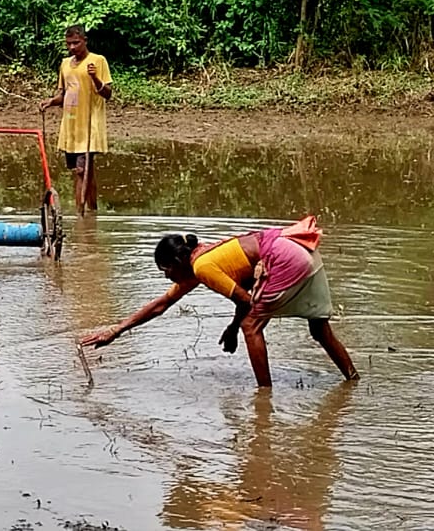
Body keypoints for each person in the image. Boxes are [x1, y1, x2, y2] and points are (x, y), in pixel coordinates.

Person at [78, 216, 358, 388]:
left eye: (166, 271)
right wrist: (117, 330)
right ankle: (352, 380)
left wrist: (237, 327)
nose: (167, 278)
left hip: (285, 258)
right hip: (305, 252)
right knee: (320, 329)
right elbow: (161, 304)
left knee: (252, 327)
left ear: (177, 262)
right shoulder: (202, 259)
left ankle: (264, 397)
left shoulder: (202, 267)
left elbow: (247, 302)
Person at [39, 24, 111, 214]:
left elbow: (107, 93)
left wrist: (95, 78)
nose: (72, 47)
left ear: (85, 41)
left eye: (76, 43)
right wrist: (50, 102)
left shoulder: (98, 61)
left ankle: (81, 213)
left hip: (89, 126)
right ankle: (92, 211)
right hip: (70, 126)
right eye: (69, 44)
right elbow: (64, 94)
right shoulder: (65, 64)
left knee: (82, 171)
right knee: (82, 171)